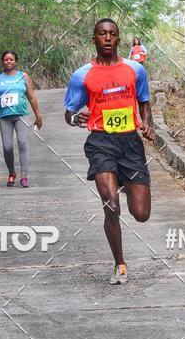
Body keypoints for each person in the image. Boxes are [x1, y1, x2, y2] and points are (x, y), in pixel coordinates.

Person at [64, 19, 154, 284]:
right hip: (100, 142)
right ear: (94, 39)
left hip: (130, 143)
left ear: (118, 39)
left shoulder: (135, 70)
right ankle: (120, 264)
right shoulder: (82, 75)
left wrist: (147, 123)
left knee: (141, 214)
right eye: (102, 34)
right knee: (111, 205)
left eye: (112, 34)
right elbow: (68, 112)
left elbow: (144, 100)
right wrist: (74, 119)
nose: (107, 38)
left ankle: (124, 180)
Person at [0, 51, 42, 187]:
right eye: (6, 59)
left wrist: (38, 115)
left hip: (21, 115)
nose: (9, 62)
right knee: (7, 147)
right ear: (3, 62)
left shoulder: (23, 76)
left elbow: (31, 97)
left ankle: (24, 176)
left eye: (11, 59)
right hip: (5, 116)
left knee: (22, 143)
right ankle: (12, 172)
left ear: (16, 62)